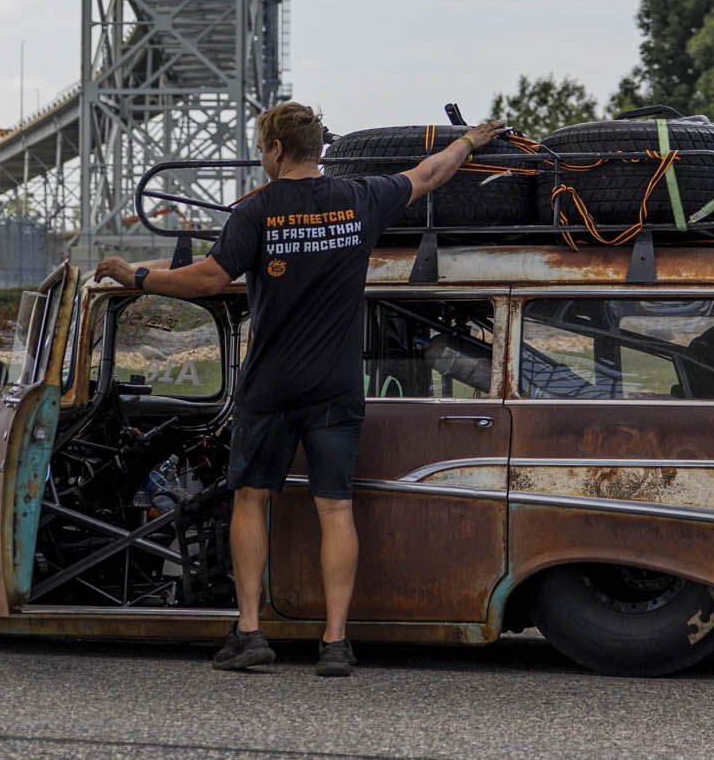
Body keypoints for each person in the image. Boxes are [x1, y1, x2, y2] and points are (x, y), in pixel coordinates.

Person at [96, 103, 502, 678]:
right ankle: (335, 643)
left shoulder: (256, 211)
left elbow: (211, 278)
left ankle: (251, 633)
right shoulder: (361, 198)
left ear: (277, 150)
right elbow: (430, 174)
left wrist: (134, 275)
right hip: (337, 387)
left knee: (251, 500)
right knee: (336, 508)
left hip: (271, 387)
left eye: (262, 149)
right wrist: (471, 143)